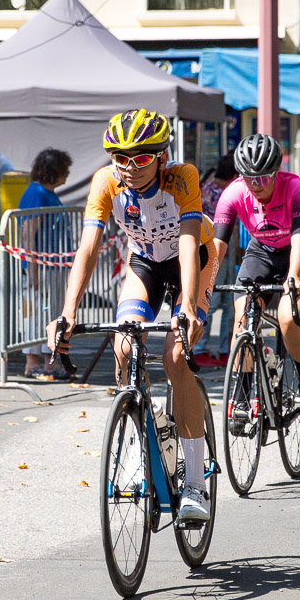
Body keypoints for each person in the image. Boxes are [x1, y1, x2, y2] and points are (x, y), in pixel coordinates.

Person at [46, 110, 217, 523]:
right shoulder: (106, 182)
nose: (129, 166)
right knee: (124, 345)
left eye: (141, 158)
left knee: (176, 358)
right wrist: (67, 313)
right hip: (144, 263)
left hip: (192, 260)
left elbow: (190, 243)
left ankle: (195, 481)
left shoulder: (182, 178)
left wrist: (189, 308)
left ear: (161, 156)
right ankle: (144, 440)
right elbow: (87, 248)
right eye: (120, 157)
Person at [211, 134, 300, 427]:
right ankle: (244, 395)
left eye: (264, 178)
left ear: (277, 172)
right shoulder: (233, 194)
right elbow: (218, 248)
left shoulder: (296, 188)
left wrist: (294, 277)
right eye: (250, 179)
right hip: (260, 251)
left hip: (298, 253)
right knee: (243, 314)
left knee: (288, 317)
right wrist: (203, 284)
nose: (256, 186)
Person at [18, 148, 72, 379]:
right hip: (41, 266)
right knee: (36, 315)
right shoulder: (37, 194)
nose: (67, 174)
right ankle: (34, 363)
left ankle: (48, 363)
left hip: (50, 265)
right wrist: (33, 272)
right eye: (65, 170)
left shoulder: (45, 193)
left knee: (50, 313)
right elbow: (28, 234)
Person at [195, 155, 238, 363]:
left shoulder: (207, 187)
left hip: (209, 251)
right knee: (216, 300)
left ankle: (218, 348)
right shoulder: (223, 193)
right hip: (217, 252)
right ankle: (206, 348)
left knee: (222, 300)